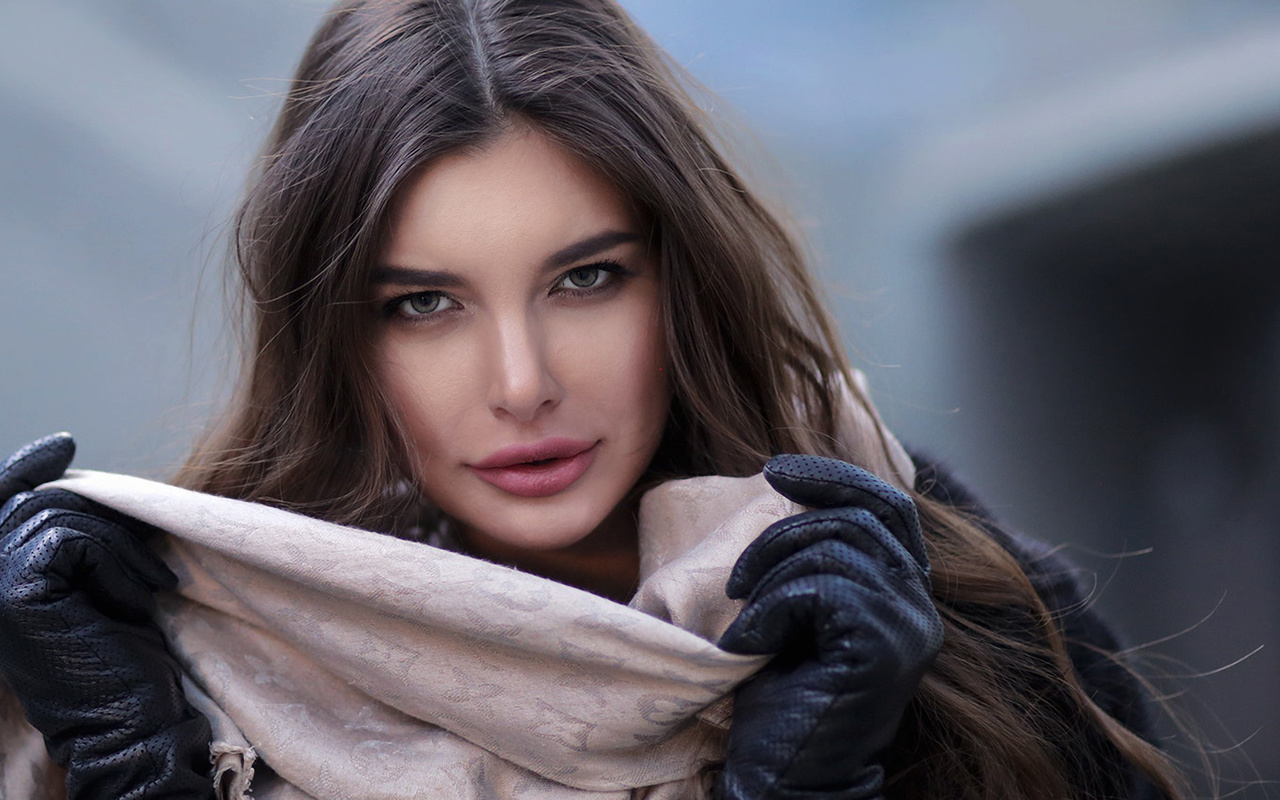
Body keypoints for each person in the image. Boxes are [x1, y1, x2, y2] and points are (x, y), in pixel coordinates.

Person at [0, 1, 1189, 798]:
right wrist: (135, 768)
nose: (521, 384)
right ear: (336, 335)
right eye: (424, 303)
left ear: (680, 276)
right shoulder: (214, 653)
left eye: (586, 279)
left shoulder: (950, 602)